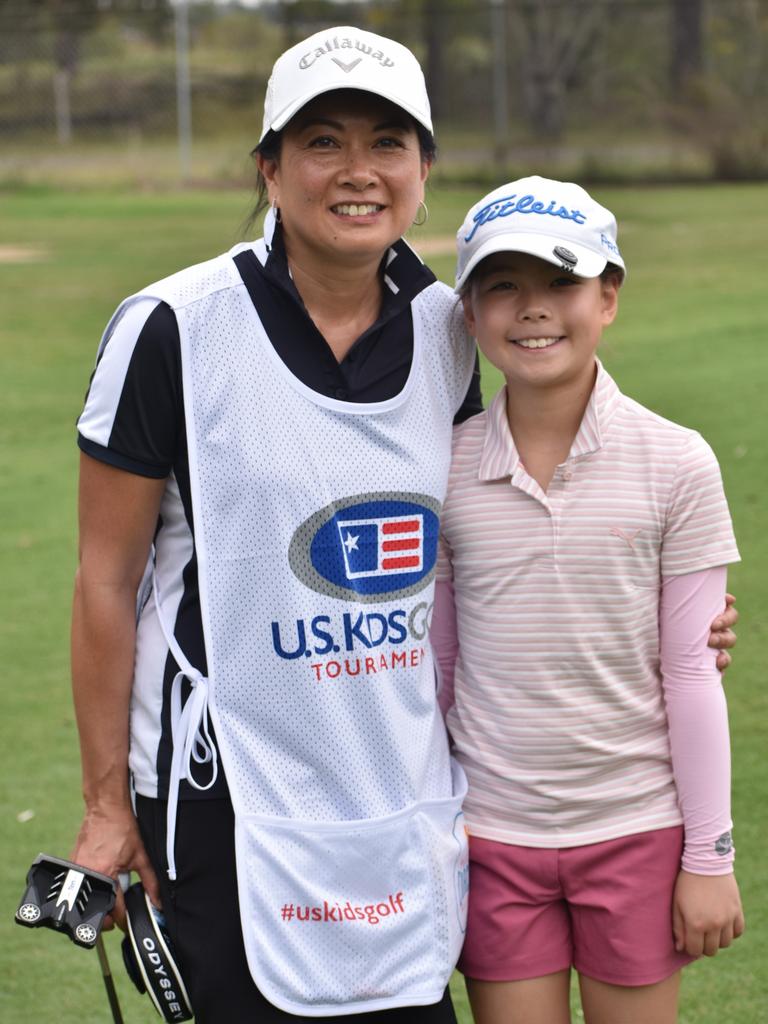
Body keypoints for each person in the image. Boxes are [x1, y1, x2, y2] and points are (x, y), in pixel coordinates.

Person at [68, 25, 737, 1023]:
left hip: (409, 791)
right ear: (270, 166)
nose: (357, 171)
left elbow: (505, 521)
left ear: (424, 168)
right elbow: (104, 582)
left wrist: (667, 615)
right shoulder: (172, 327)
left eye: (387, 143)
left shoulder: (452, 334)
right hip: (223, 792)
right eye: (322, 142)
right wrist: (106, 805)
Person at [431, 176, 745, 1024]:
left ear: (608, 296)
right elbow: (440, 665)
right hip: (491, 838)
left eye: (562, 283)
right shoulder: (444, 468)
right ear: (468, 312)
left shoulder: (678, 462)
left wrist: (709, 857)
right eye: (504, 286)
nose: (533, 309)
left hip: (637, 831)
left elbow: (691, 674)